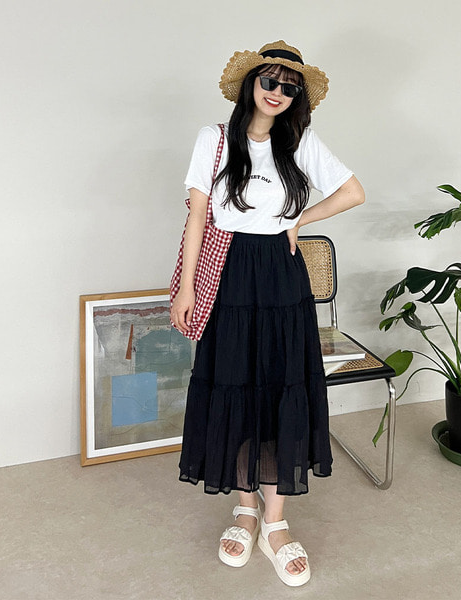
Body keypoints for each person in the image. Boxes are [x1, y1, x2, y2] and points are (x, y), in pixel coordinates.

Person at [170, 41, 365, 587]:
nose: (278, 92)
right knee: (234, 385)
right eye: (270, 81)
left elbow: (353, 192)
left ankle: (275, 523)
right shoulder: (213, 139)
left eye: (289, 86)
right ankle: (245, 509)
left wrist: (298, 220)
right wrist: (187, 289)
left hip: (282, 275)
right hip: (228, 272)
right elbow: (197, 218)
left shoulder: (299, 142)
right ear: (251, 83)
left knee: (282, 387)